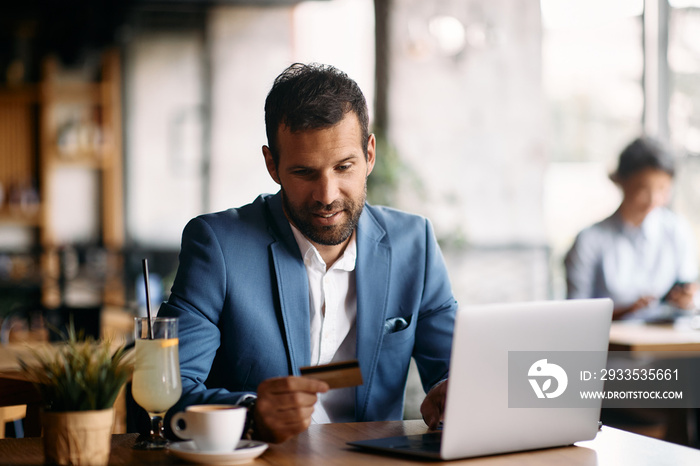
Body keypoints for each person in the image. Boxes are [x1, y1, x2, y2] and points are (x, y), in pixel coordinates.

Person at [159, 63, 458, 443]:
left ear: (369, 155)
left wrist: (453, 393)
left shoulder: (414, 243)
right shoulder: (217, 245)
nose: (327, 195)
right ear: (273, 165)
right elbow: (166, 393)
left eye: (343, 167)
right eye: (304, 172)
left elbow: (454, 370)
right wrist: (249, 415)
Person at [564, 136, 698, 320]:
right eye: (643, 189)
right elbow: (573, 315)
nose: (653, 199)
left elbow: (687, 290)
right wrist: (627, 311)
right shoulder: (589, 241)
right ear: (622, 182)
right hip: (611, 346)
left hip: (667, 341)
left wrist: (685, 299)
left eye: (662, 189)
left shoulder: (676, 230)